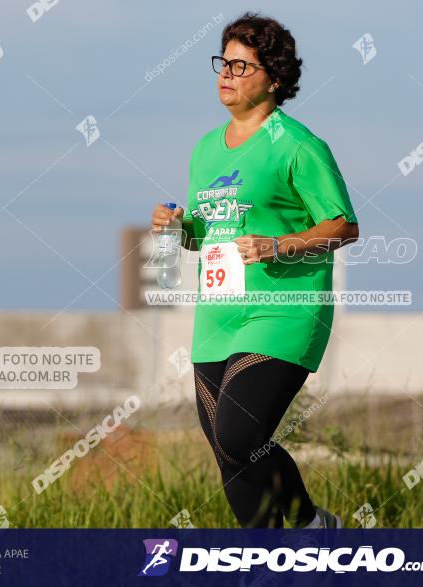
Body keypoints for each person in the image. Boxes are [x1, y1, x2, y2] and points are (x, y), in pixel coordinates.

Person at [150, 12, 359, 529]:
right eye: (224, 62)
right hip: (218, 314)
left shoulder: (298, 145)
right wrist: (178, 228)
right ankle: (263, 557)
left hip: (283, 310)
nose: (228, 74)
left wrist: (279, 244)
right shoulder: (204, 149)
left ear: (277, 79)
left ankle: (314, 527)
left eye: (243, 66)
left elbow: (343, 226)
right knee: (227, 450)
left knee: (240, 434)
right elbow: (209, 232)